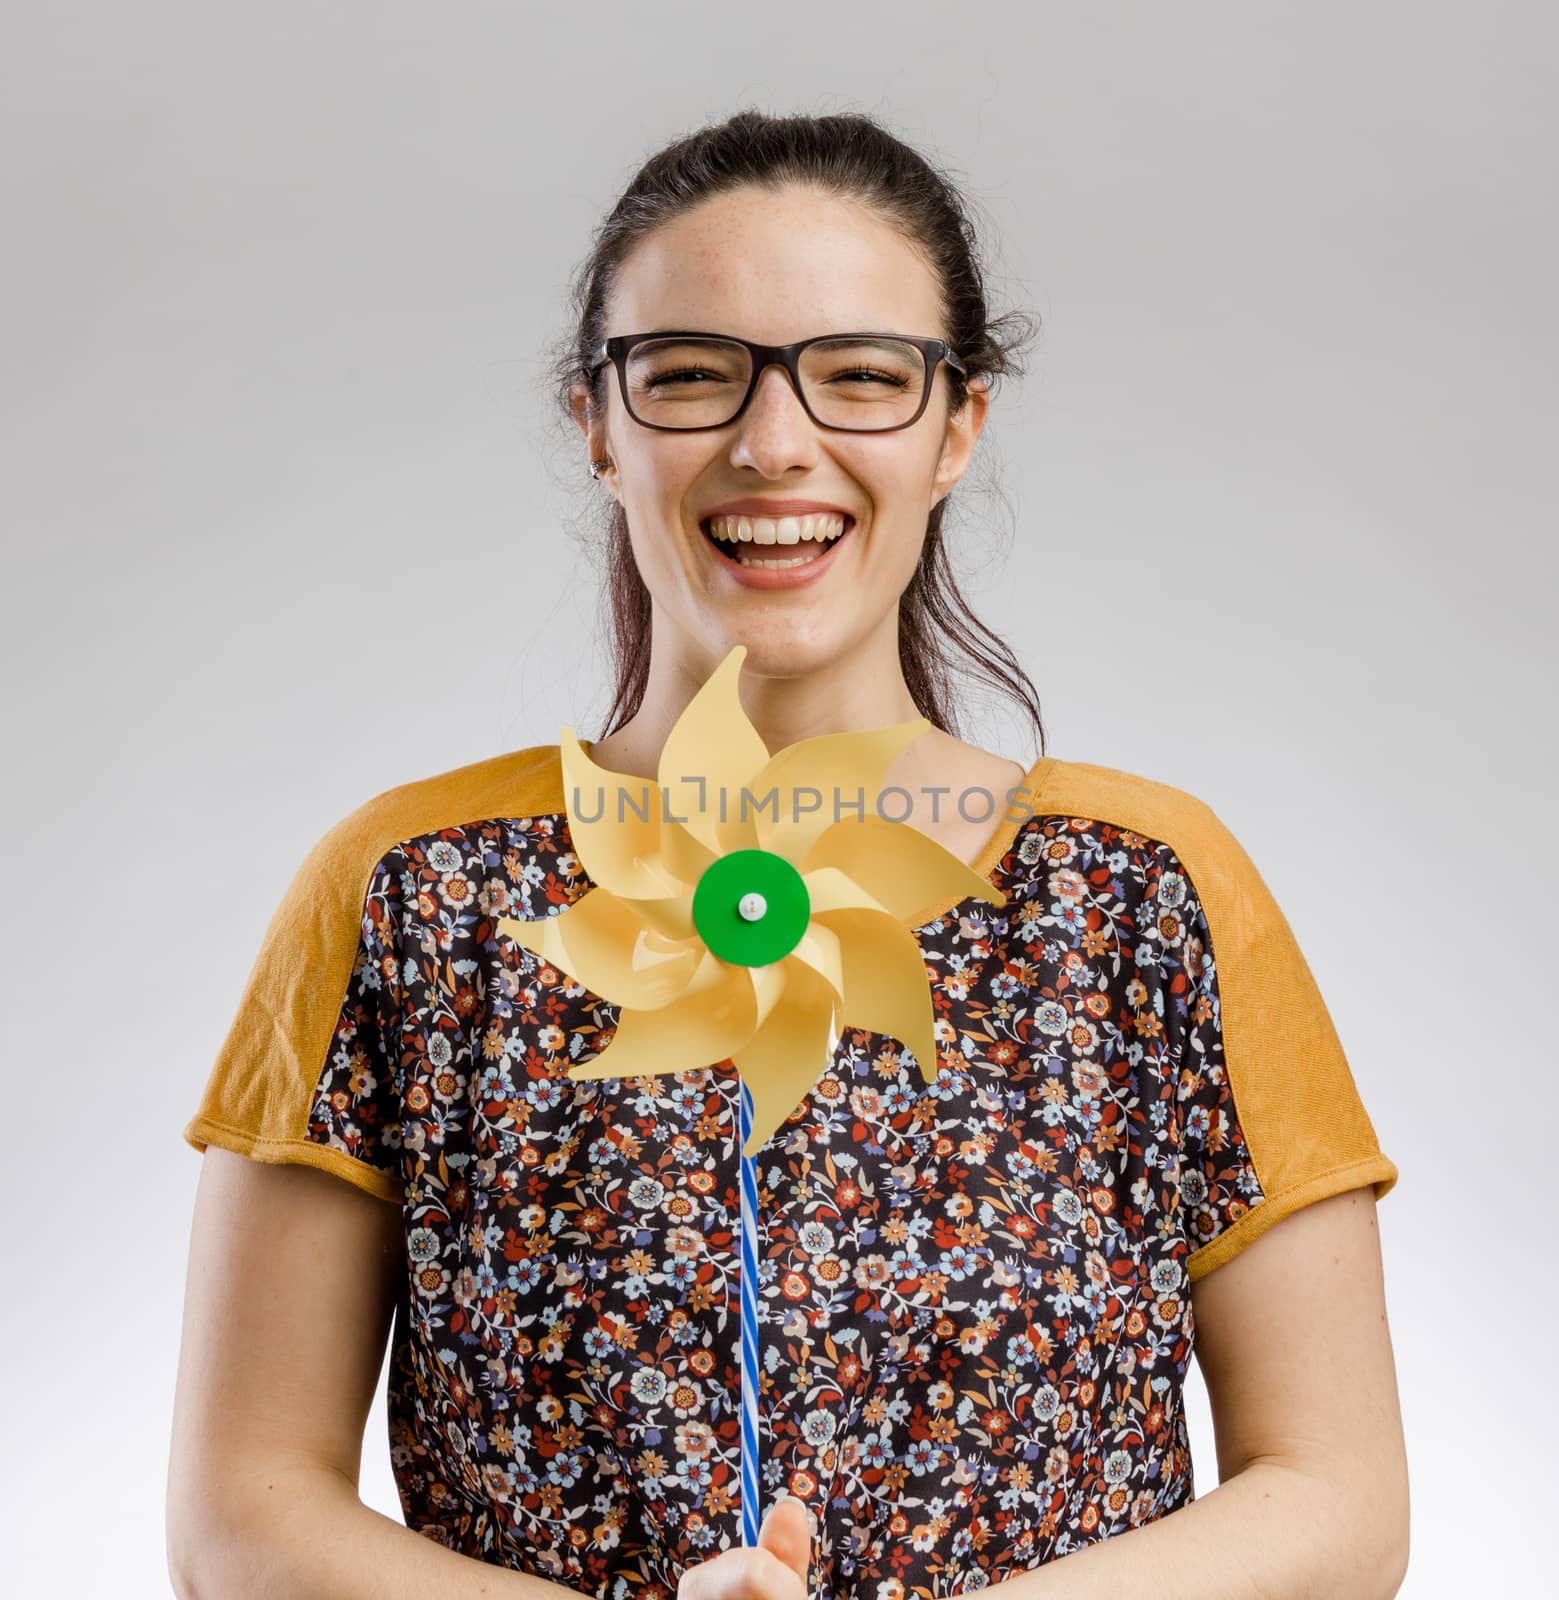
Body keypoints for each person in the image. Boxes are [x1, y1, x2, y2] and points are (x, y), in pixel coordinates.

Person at [167, 108, 1408, 1599]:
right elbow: (241, 1511)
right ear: (597, 424)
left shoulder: (1145, 891)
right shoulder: (409, 894)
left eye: (862, 377)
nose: (773, 443)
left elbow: (1339, 1500)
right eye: (690, 376)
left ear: (958, 427)